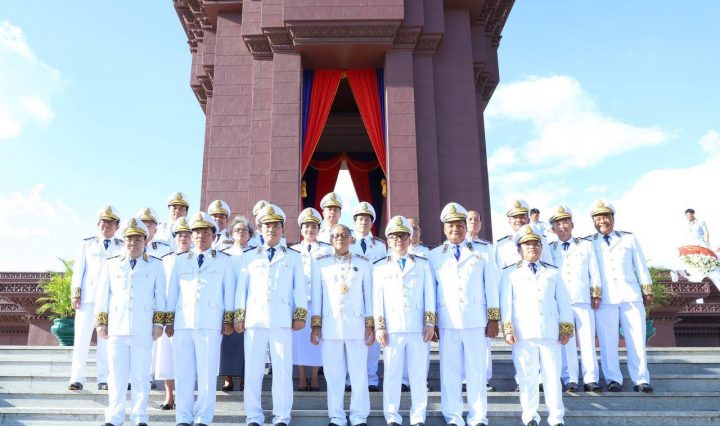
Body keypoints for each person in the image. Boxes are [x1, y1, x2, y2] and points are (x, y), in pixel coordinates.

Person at [234, 204, 307, 426]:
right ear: (260, 228)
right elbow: (241, 288)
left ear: (282, 229)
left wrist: (300, 314)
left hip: (281, 319)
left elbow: (300, 288)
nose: (271, 230)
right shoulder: (249, 256)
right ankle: (253, 416)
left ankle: (282, 416)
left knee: (283, 371)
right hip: (255, 320)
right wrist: (239, 316)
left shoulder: (293, 256)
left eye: (276, 226)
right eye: (267, 226)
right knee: (253, 371)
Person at [429, 202, 499, 426]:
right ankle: (453, 416)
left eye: (459, 225)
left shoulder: (483, 251)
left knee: (476, 371)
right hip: (447, 321)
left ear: (465, 227)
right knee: (449, 372)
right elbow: (431, 291)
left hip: (475, 320)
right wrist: (432, 321)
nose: (455, 229)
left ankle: (478, 417)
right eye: (451, 225)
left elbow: (492, 286)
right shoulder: (434, 256)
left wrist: (493, 318)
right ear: (444, 228)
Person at [166, 211, 236, 426]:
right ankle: (183, 416)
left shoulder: (224, 260)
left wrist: (228, 319)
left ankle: (203, 417)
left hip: (210, 322)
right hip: (183, 323)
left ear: (213, 236)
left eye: (206, 233)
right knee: (183, 373)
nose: (200, 237)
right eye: (196, 232)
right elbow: (172, 292)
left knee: (207, 373)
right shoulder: (180, 260)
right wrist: (169, 320)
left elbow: (229, 292)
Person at [94, 218, 167, 426]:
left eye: (137, 240)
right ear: (124, 241)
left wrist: (159, 324)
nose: (132, 243)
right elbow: (102, 296)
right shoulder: (111, 264)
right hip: (117, 327)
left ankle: (139, 417)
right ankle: (114, 417)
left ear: (145, 241)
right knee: (116, 376)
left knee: (141, 376)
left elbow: (160, 297)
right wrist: (101, 322)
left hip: (143, 328)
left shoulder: (156, 265)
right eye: (129, 239)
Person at [500, 224, 574, 426]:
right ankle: (530, 416)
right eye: (527, 244)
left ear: (541, 247)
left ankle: (556, 418)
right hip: (523, 333)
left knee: (552, 378)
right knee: (527, 377)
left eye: (535, 244)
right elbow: (506, 303)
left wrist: (566, 328)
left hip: (550, 332)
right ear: (519, 249)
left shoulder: (553, 272)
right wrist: (507, 329)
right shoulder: (510, 273)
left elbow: (563, 302)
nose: (532, 247)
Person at [373, 216, 436, 426]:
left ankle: (418, 417)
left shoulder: (422, 264)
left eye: (402, 236)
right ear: (388, 241)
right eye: (394, 237)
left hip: (417, 327)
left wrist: (429, 323)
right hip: (392, 328)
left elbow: (429, 295)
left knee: (418, 375)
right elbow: (377, 299)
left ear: (410, 239)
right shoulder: (380, 267)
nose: (398, 240)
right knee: (392, 374)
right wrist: (380, 326)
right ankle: (392, 417)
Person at [310, 223, 374, 426]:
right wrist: (316, 325)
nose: (340, 238)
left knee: (358, 373)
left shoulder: (363, 263)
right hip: (330, 324)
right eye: (336, 235)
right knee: (333, 374)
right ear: (330, 240)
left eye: (344, 235)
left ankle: (358, 416)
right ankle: (337, 416)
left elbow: (369, 296)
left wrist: (370, 324)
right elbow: (317, 296)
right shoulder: (321, 263)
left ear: (351, 239)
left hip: (357, 324)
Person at [589, 200, 654, 393]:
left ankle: (641, 379)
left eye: (606, 217)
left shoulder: (628, 239)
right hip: (604, 299)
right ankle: (613, 379)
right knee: (607, 341)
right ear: (593, 221)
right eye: (598, 218)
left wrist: (647, 289)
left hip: (630, 295)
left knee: (637, 339)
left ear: (613, 218)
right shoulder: (589, 243)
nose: (602, 221)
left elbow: (640, 265)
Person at [547, 205, 602, 393]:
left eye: (565, 222)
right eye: (558, 223)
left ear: (572, 224)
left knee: (587, 341)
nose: (562, 226)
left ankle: (591, 378)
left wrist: (596, 293)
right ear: (553, 228)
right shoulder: (549, 249)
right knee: (566, 342)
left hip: (583, 298)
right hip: (561, 303)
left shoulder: (585, 245)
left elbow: (594, 270)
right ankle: (569, 378)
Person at [68, 205, 122, 391]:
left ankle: (104, 378)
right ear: (98, 224)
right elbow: (79, 270)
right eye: (103, 222)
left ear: (117, 226)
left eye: (111, 222)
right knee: (81, 339)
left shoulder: (122, 246)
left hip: (110, 300)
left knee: (105, 340)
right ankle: (77, 378)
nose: (106, 225)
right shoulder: (87, 244)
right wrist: (76, 292)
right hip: (88, 298)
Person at [290, 207, 332, 391]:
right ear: (301, 229)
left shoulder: (327, 249)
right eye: (306, 226)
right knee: (298, 339)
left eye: (314, 226)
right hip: (298, 300)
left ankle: (314, 377)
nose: (310, 229)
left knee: (317, 337)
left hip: (318, 300)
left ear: (319, 229)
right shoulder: (293, 250)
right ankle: (301, 377)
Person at [155, 217, 193, 411]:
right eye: (180, 235)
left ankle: (186, 396)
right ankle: (169, 395)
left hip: (190, 315)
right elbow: (160, 289)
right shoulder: (166, 260)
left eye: (187, 235)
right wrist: (163, 318)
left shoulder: (197, 258)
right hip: (169, 315)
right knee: (167, 357)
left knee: (188, 358)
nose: (183, 238)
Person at [349, 201, 386, 391]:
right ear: (354, 222)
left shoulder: (380, 246)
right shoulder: (347, 243)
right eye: (360, 219)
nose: (363, 222)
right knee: (353, 338)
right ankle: (351, 379)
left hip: (374, 295)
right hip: (353, 296)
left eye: (367, 219)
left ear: (372, 223)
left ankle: (371, 379)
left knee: (372, 339)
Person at [219, 215, 256, 392]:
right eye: (237, 230)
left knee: (246, 342)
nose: (241, 233)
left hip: (249, 301)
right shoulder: (224, 254)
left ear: (250, 234)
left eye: (245, 230)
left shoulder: (256, 253)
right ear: (231, 233)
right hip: (228, 300)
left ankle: (244, 377)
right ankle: (228, 378)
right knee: (227, 340)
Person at [465, 209, 495, 392]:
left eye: (476, 219)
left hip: (479, 305)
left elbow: (491, 282)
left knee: (483, 345)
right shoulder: (451, 248)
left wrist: (493, 313)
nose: (473, 222)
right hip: (459, 307)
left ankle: (484, 378)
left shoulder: (487, 249)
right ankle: (464, 379)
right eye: (469, 219)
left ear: (481, 224)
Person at [496, 200, 554, 269]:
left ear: (528, 219)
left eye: (522, 217)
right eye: (514, 217)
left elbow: (549, 266)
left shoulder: (541, 239)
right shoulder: (502, 245)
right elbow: (500, 271)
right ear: (509, 221)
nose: (518, 220)